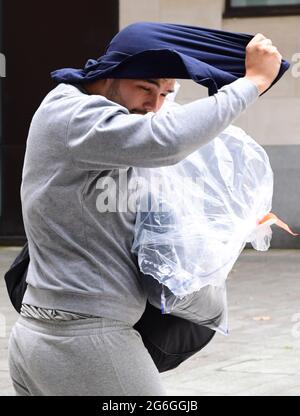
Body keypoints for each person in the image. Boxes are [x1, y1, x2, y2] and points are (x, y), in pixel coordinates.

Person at [8, 22, 283, 396]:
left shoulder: (114, 135)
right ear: (111, 74)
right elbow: (166, 140)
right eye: (145, 89)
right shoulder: (72, 113)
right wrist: (252, 82)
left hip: (58, 335)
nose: (154, 106)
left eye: (165, 94)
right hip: (84, 338)